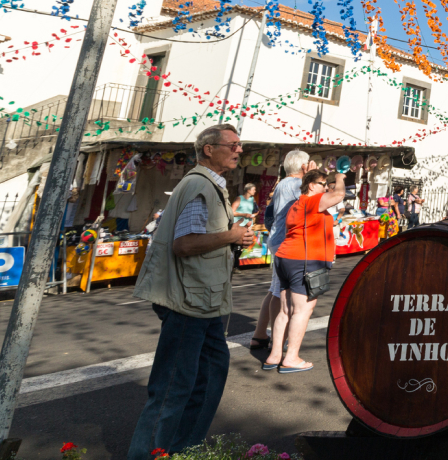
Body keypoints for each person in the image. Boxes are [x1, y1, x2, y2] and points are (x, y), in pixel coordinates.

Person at [129, 124, 256, 459]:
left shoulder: (210, 186)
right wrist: (230, 236)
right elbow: (184, 244)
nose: (239, 150)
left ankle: (183, 449)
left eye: (239, 145)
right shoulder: (200, 185)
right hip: (190, 300)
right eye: (233, 144)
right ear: (209, 149)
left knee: (210, 374)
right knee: (174, 386)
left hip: (205, 300)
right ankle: (150, 454)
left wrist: (233, 235)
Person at [265, 169, 346, 374]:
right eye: (322, 183)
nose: (326, 187)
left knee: (285, 310)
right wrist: (340, 178)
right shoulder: (312, 202)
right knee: (303, 310)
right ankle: (291, 357)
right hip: (304, 260)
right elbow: (338, 195)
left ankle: (275, 355)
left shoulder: (297, 204)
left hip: (287, 258)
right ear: (311, 186)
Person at [250, 150, 311, 351]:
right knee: (282, 293)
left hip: (279, 239)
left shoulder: (283, 184)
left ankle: (260, 335)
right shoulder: (295, 185)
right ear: (303, 167)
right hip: (288, 241)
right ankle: (279, 340)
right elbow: (311, 205)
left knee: (275, 289)